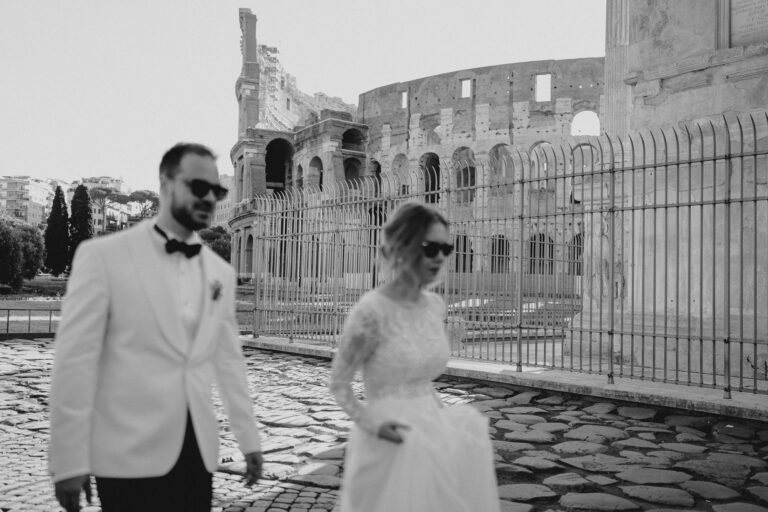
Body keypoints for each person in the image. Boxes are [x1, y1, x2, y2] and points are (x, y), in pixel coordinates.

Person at [48, 143, 263, 512]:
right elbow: (74, 364)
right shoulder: (103, 257)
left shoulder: (220, 274)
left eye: (218, 191)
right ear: (165, 183)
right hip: (126, 453)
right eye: (199, 186)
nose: (210, 197)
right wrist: (68, 460)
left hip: (197, 454)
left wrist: (249, 438)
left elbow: (229, 363)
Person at [329, 202, 500, 512]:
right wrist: (373, 426)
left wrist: (445, 422)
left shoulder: (435, 306)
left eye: (446, 248)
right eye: (429, 247)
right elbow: (339, 384)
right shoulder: (372, 310)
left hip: (433, 432)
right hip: (388, 437)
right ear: (403, 246)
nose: (439, 257)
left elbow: (420, 378)